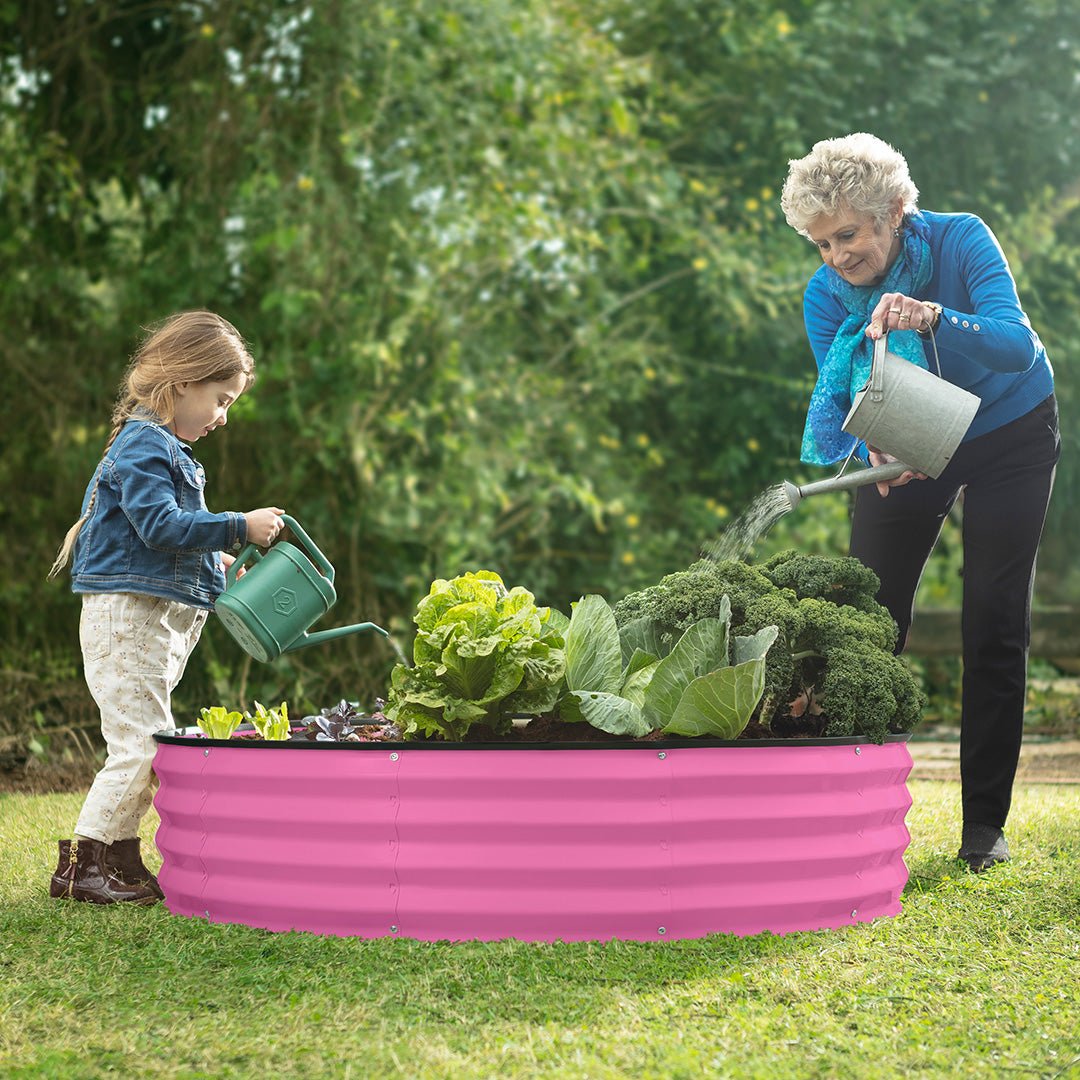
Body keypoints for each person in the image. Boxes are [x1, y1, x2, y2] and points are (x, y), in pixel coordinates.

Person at [780, 133, 1059, 872]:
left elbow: (1017, 347)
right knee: (869, 625)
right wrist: (878, 450)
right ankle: (843, 816)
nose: (837, 256)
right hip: (920, 436)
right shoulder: (823, 297)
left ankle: (983, 833)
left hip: (1010, 428)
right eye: (821, 243)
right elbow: (855, 402)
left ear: (895, 211)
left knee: (995, 621)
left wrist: (930, 315)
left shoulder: (962, 240)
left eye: (849, 234)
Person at [46, 310, 285, 904]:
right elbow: (159, 525)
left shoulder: (162, 448)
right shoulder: (144, 446)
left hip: (151, 621)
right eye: (221, 398)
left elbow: (162, 539)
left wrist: (214, 564)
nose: (223, 416)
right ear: (183, 383)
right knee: (140, 746)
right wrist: (238, 526)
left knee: (146, 742)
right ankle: (82, 866)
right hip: (129, 620)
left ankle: (121, 860)